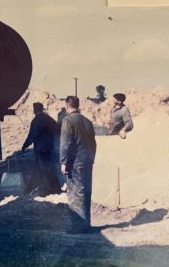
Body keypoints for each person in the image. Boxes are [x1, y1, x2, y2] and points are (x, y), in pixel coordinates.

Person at [60, 96, 97, 234]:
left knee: (75, 193)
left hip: (74, 163)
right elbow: (93, 143)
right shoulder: (87, 121)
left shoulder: (68, 120)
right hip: (87, 161)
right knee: (86, 191)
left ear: (67, 106)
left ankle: (78, 226)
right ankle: (86, 224)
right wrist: (91, 159)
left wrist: (64, 162)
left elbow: (65, 143)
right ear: (78, 105)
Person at [22, 102, 60, 196]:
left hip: (40, 149)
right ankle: (29, 189)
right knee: (39, 169)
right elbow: (57, 129)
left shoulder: (36, 120)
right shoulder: (48, 118)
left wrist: (24, 145)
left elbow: (32, 135)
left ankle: (55, 189)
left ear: (35, 110)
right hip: (49, 148)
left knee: (45, 169)